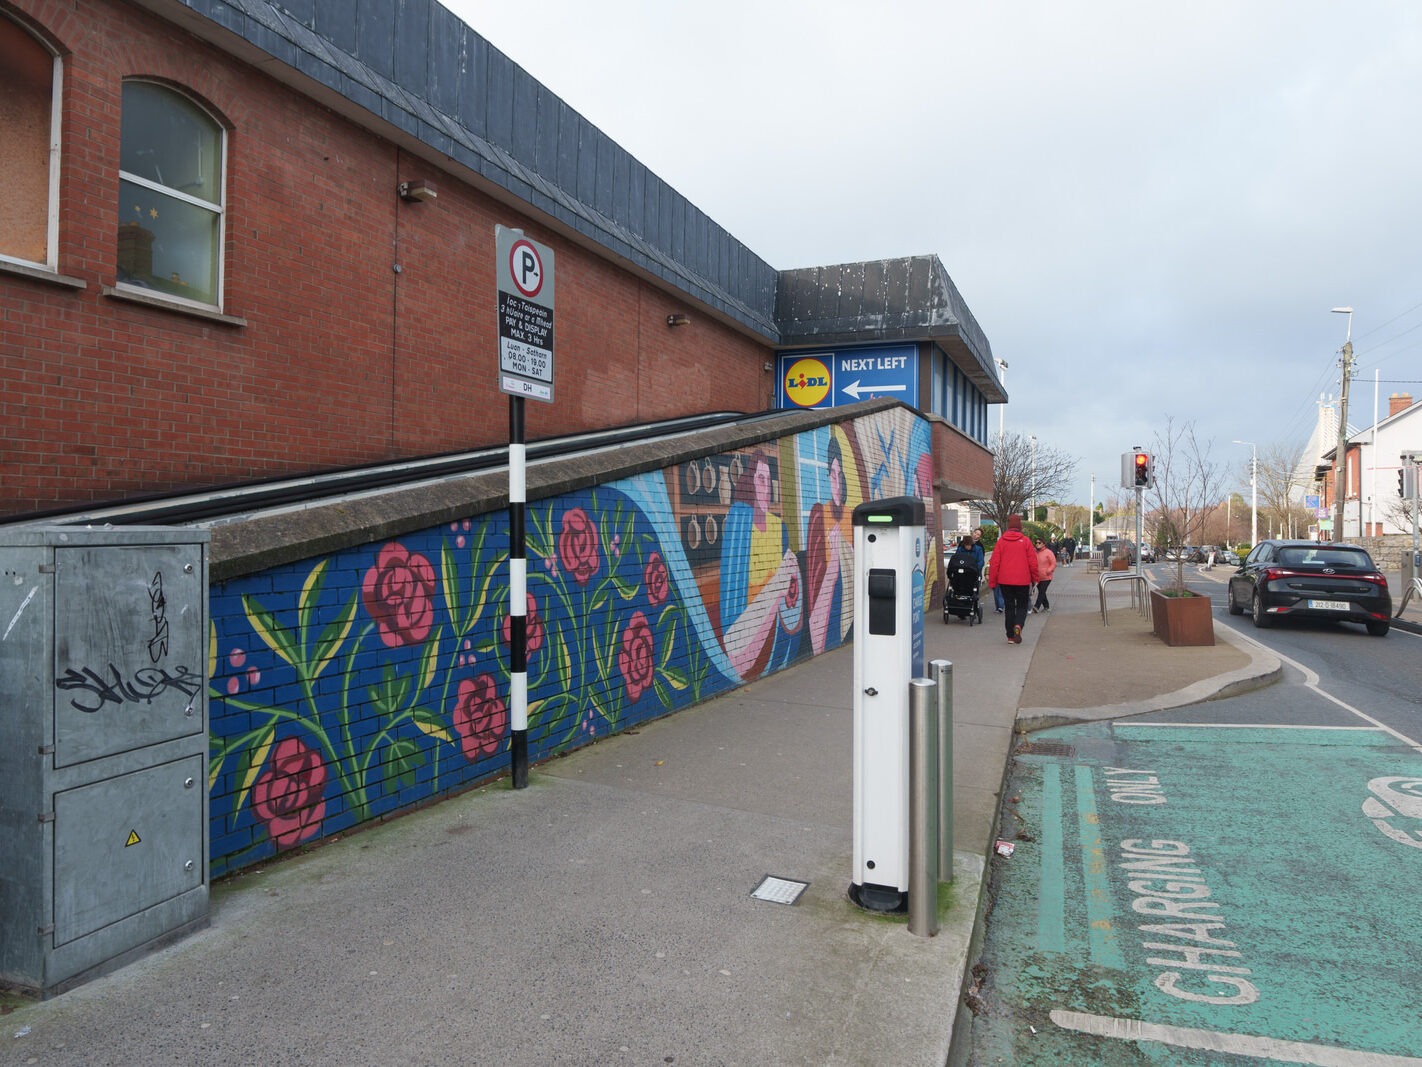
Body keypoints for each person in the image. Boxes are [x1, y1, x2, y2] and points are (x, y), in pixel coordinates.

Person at [988, 514, 1040, 644]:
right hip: (1022, 580)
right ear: (1020, 526)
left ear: (1009, 526)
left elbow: (994, 563)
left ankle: (1010, 636)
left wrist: (992, 581)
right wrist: (1035, 579)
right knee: (1022, 606)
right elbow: (1033, 563)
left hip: (1005, 580)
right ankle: (1018, 625)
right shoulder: (1026, 541)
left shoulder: (1001, 541)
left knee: (1009, 607)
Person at [973, 526, 1001, 614]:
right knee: (997, 591)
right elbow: (989, 563)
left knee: (999, 592)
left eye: (978, 535)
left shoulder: (980, 547)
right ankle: (1000, 606)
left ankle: (1000, 606)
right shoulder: (964, 543)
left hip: (975, 571)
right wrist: (987, 573)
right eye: (975, 533)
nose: (976, 535)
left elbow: (981, 561)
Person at [1032, 537, 1057, 613]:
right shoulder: (1034, 552)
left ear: (1043, 544)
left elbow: (1053, 563)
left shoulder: (1048, 552)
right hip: (1037, 577)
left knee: (1042, 591)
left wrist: (1048, 571)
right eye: (1036, 543)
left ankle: (1036, 606)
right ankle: (1046, 606)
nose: (1037, 544)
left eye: (1039, 543)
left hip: (1046, 577)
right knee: (1042, 592)